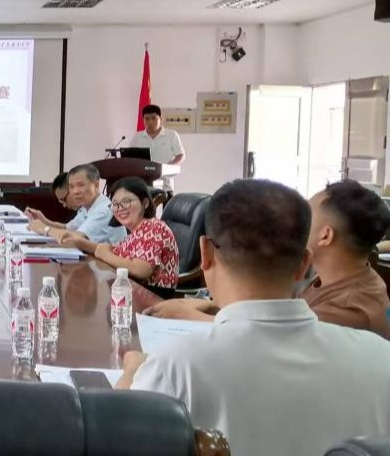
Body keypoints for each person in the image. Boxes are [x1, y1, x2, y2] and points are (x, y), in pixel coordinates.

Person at [118, 179, 390, 456]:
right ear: (304, 264)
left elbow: (120, 437)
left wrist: (132, 371)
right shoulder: (381, 357)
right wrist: (209, 306)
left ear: (205, 253)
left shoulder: (175, 366)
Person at [149, 180, 390, 337]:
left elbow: (273, 336)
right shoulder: (333, 278)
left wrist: (189, 317)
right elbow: (274, 314)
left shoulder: (352, 310)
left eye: (307, 212)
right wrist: (207, 306)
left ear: (325, 235)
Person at [65, 177, 179, 297]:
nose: (120, 208)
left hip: (154, 296)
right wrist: (80, 243)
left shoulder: (153, 228)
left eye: (126, 201)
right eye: (115, 204)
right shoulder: (137, 231)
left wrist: (105, 255)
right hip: (136, 289)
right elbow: (112, 250)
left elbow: (141, 270)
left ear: (145, 203)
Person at [26, 164, 126, 245]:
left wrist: (44, 228)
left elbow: (74, 239)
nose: (75, 191)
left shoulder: (104, 210)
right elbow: (67, 229)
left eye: (80, 185)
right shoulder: (86, 207)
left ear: (96, 185)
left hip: (110, 263)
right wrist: (43, 220)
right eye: (71, 187)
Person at [129, 104, 185, 193]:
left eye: (153, 118)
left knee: (166, 202)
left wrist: (169, 166)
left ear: (160, 119)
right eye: (147, 118)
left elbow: (181, 155)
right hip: (143, 185)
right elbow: (129, 157)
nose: (150, 122)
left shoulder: (171, 135)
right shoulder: (137, 137)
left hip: (165, 185)